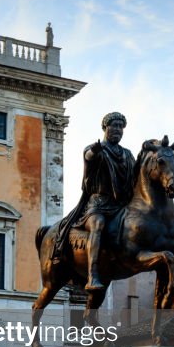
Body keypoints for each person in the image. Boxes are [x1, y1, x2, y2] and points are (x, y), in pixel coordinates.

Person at [54, 112, 136, 290]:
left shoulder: (127, 154)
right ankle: (93, 275)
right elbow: (88, 157)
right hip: (97, 204)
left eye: (121, 127)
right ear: (105, 128)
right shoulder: (95, 148)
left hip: (120, 205)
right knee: (98, 225)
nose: (118, 130)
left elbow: (137, 176)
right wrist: (94, 152)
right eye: (114, 125)